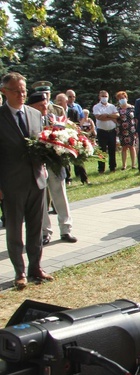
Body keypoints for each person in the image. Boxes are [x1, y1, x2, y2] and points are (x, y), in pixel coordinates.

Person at [0, 72, 53, 289]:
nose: (22, 95)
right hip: (11, 184)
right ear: (4, 92)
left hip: (37, 180)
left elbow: (41, 143)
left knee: (35, 228)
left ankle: (36, 268)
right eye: (16, 91)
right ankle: (19, 272)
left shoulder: (33, 113)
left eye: (24, 90)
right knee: (14, 230)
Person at [27, 92, 77, 245]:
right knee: (41, 199)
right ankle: (45, 232)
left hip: (55, 163)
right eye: (40, 105)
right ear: (31, 107)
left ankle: (66, 229)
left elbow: (65, 134)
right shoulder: (28, 120)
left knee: (60, 195)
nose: (44, 108)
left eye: (45, 104)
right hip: (37, 165)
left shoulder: (53, 118)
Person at [93, 90, 119, 173]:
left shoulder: (111, 106)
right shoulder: (96, 107)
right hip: (102, 131)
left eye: (106, 96)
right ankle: (101, 169)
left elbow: (117, 115)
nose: (104, 98)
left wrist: (107, 115)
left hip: (111, 131)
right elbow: (99, 117)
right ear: (99, 97)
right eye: (103, 96)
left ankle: (112, 167)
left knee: (112, 150)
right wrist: (111, 117)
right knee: (101, 151)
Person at [115, 91, 137, 170]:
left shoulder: (132, 108)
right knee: (124, 148)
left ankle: (133, 164)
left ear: (126, 98)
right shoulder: (117, 109)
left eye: (123, 98)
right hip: (122, 130)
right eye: (120, 98)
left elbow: (136, 119)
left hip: (132, 129)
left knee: (132, 147)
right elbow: (116, 119)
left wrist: (137, 130)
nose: (121, 100)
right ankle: (124, 165)